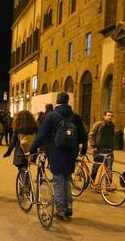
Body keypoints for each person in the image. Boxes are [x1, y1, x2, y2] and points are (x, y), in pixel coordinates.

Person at [29, 92, 87, 220]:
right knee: (67, 178)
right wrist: (84, 150)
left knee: (58, 180)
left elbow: (41, 135)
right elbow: (83, 135)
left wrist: (32, 149)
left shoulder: (50, 116)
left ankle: (60, 209)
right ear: (68, 101)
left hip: (56, 152)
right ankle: (68, 207)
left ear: (57, 101)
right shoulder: (75, 117)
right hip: (71, 152)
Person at [88, 111, 116, 181]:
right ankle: (92, 182)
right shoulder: (99, 124)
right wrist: (94, 146)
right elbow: (91, 134)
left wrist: (112, 148)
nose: (110, 117)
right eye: (108, 115)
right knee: (96, 167)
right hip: (99, 149)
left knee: (109, 168)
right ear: (104, 116)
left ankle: (108, 184)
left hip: (109, 150)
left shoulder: (112, 125)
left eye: (111, 116)